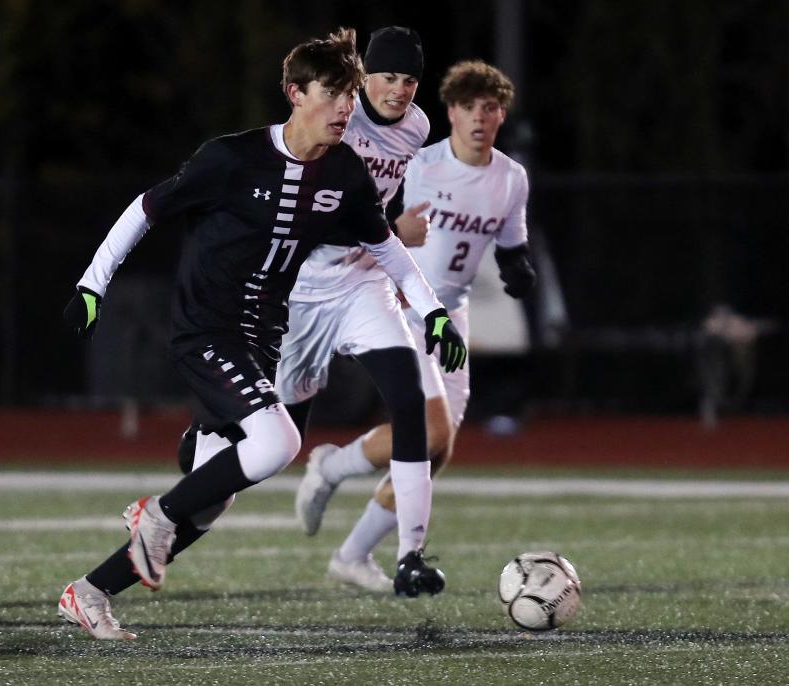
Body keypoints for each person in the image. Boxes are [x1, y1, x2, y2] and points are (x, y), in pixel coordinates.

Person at [56, 28, 466, 640]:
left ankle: (89, 591)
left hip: (264, 340)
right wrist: (92, 285)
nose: (345, 110)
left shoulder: (345, 171)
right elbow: (146, 209)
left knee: (214, 492)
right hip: (208, 331)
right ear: (294, 94)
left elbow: (385, 244)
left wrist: (430, 310)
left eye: (349, 97)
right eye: (333, 95)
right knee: (276, 444)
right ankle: (155, 513)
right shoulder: (232, 158)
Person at [293, 59, 536, 589]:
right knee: (430, 430)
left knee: (439, 448)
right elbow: (369, 219)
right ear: (450, 111)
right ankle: (333, 471)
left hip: (455, 314)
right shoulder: (419, 164)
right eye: (468, 107)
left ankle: (352, 554)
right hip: (403, 302)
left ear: (501, 116)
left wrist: (519, 269)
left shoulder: (511, 179)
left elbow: (512, 244)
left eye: (489, 108)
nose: (479, 117)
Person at [276, 26, 449, 594]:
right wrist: (390, 229)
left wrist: (390, 235)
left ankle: (409, 556)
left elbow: (385, 197)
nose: (399, 90)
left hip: (362, 283)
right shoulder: (338, 118)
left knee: (411, 408)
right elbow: (302, 199)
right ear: (363, 78)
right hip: (305, 287)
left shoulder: (419, 125)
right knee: (275, 444)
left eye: (409, 80)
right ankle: (208, 448)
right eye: (388, 77)